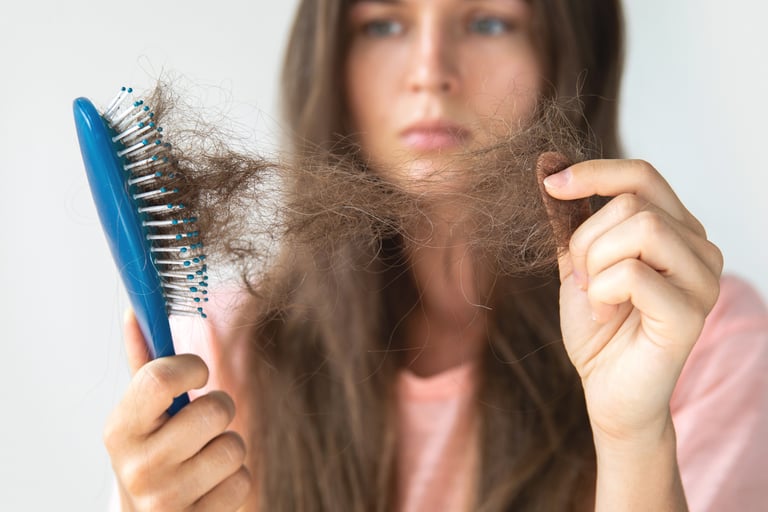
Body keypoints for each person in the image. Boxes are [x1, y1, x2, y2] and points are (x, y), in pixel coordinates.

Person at [104, 1, 768, 511]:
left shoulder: (687, 337)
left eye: (488, 21)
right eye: (384, 25)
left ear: (571, 56)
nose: (430, 72)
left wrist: (634, 439)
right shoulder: (226, 354)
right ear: (330, 60)